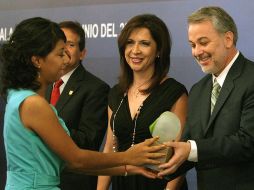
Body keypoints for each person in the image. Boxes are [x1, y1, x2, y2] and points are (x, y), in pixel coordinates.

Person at [0, 17, 167, 190]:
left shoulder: (18, 95)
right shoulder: (33, 104)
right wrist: (129, 157)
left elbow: (70, 163)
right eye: (59, 54)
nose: (65, 60)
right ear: (37, 60)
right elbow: (76, 159)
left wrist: (126, 169)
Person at [158, 6, 254, 190]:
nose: (197, 52)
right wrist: (161, 163)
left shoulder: (251, 78)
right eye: (193, 45)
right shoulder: (198, 90)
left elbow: (248, 141)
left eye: (203, 42)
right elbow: (187, 145)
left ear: (228, 38)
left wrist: (191, 149)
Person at [97, 14, 188, 190]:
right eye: (130, 42)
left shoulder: (175, 92)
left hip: (159, 184)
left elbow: (179, 155)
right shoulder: (116, 93)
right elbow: (109, 148)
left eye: (144, 43)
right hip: (122, 180)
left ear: (159, 50)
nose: (135, 50)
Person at [45, 21, 109, 190]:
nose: (64, 50)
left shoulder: (96, 88)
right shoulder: (43, 84)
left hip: (73, 182)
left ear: (82, 53)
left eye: (70, 44)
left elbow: (89, 141)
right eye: (59, 44)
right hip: (41, 178)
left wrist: (47, 125)